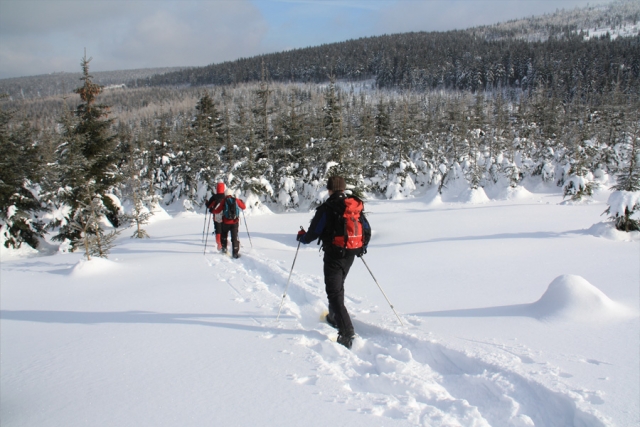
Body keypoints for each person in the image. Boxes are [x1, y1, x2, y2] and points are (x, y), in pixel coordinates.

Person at [296, 176, 370, 349]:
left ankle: (346, 332)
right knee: (338, 286)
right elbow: (366, 229)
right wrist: (360, 247)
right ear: (343, 189)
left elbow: (313, 233)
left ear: (330, 190)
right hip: (351, 253)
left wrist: (302, 237)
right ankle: (334, 316)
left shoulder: (327, 208)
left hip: (334, 254)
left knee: (334, 291)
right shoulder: (354, 206)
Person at [213, 188, 246, 258]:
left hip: (225, 222)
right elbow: (244, 207)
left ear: (225, 194)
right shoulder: (236, 200)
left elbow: (217, 210)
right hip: (235, 222)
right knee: (234, 238)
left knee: (224, 236)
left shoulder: (224, 201)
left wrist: (213, 210)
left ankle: (224, 250)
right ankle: (235, 253)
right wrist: (241, 202)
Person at [205, 182, 226, 251]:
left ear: (217, 188)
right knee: (224, 229)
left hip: (216, 215)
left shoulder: (214, 197)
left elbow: (209, 206)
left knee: (218, 229)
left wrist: (207, 203)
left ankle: (219, 243)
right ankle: (224, 241)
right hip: (225, 215)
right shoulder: (225, 196)